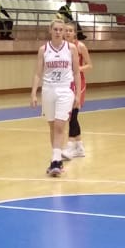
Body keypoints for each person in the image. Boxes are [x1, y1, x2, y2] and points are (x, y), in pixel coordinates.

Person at [31, 19, 78, 177]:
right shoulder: (43, 49)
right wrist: (33, 93)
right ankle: (57, 157)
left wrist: (78, 94)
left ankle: (55, 161)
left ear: (64, 32)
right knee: (52, 126)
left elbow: (77, 72)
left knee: (59, 125)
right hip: (48, 90)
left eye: (61, 29)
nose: (58, 32)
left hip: (65, 90)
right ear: (50, 31)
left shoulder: (71, 48)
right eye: (56, 29)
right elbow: (38, 73)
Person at [62, 21, 92, 159]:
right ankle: (79, 146)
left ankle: (70, 146)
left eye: (70, 30)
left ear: (75, 32)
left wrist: (77, 69)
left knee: (73, 114)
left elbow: (90, 65)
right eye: (65, 30)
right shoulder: (62, 46)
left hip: (79, 82)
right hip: (66, 83)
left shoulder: (80, 46)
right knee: (70, 115)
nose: (67, 33)